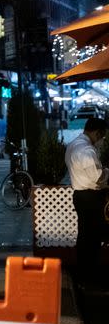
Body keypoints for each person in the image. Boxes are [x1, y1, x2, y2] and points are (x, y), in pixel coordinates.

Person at [65, 117, 109, 286]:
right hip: (91, 198)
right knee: (92, 238)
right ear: (97, 132)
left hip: (80, 196)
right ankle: (91, 276)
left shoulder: (73, 145)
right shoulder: (86, 150)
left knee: (85, 236)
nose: (102, 139)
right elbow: (97, 178)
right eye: (102, 135)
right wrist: (107, 173)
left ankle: (83, 275)